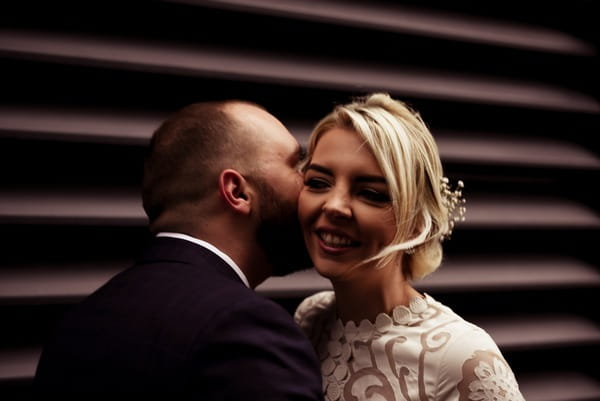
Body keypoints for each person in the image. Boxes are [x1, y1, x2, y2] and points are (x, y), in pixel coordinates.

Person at [34, 100, 324, 399]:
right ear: (237, 192)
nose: (311, 183)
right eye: (296, 164)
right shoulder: (245, 327)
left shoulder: (80, 322)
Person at [294, 93, 525, 401]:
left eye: (371, 193)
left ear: (419, 222)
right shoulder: (311, 318)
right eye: (318, 183)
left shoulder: (463, 358)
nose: (334, 206)